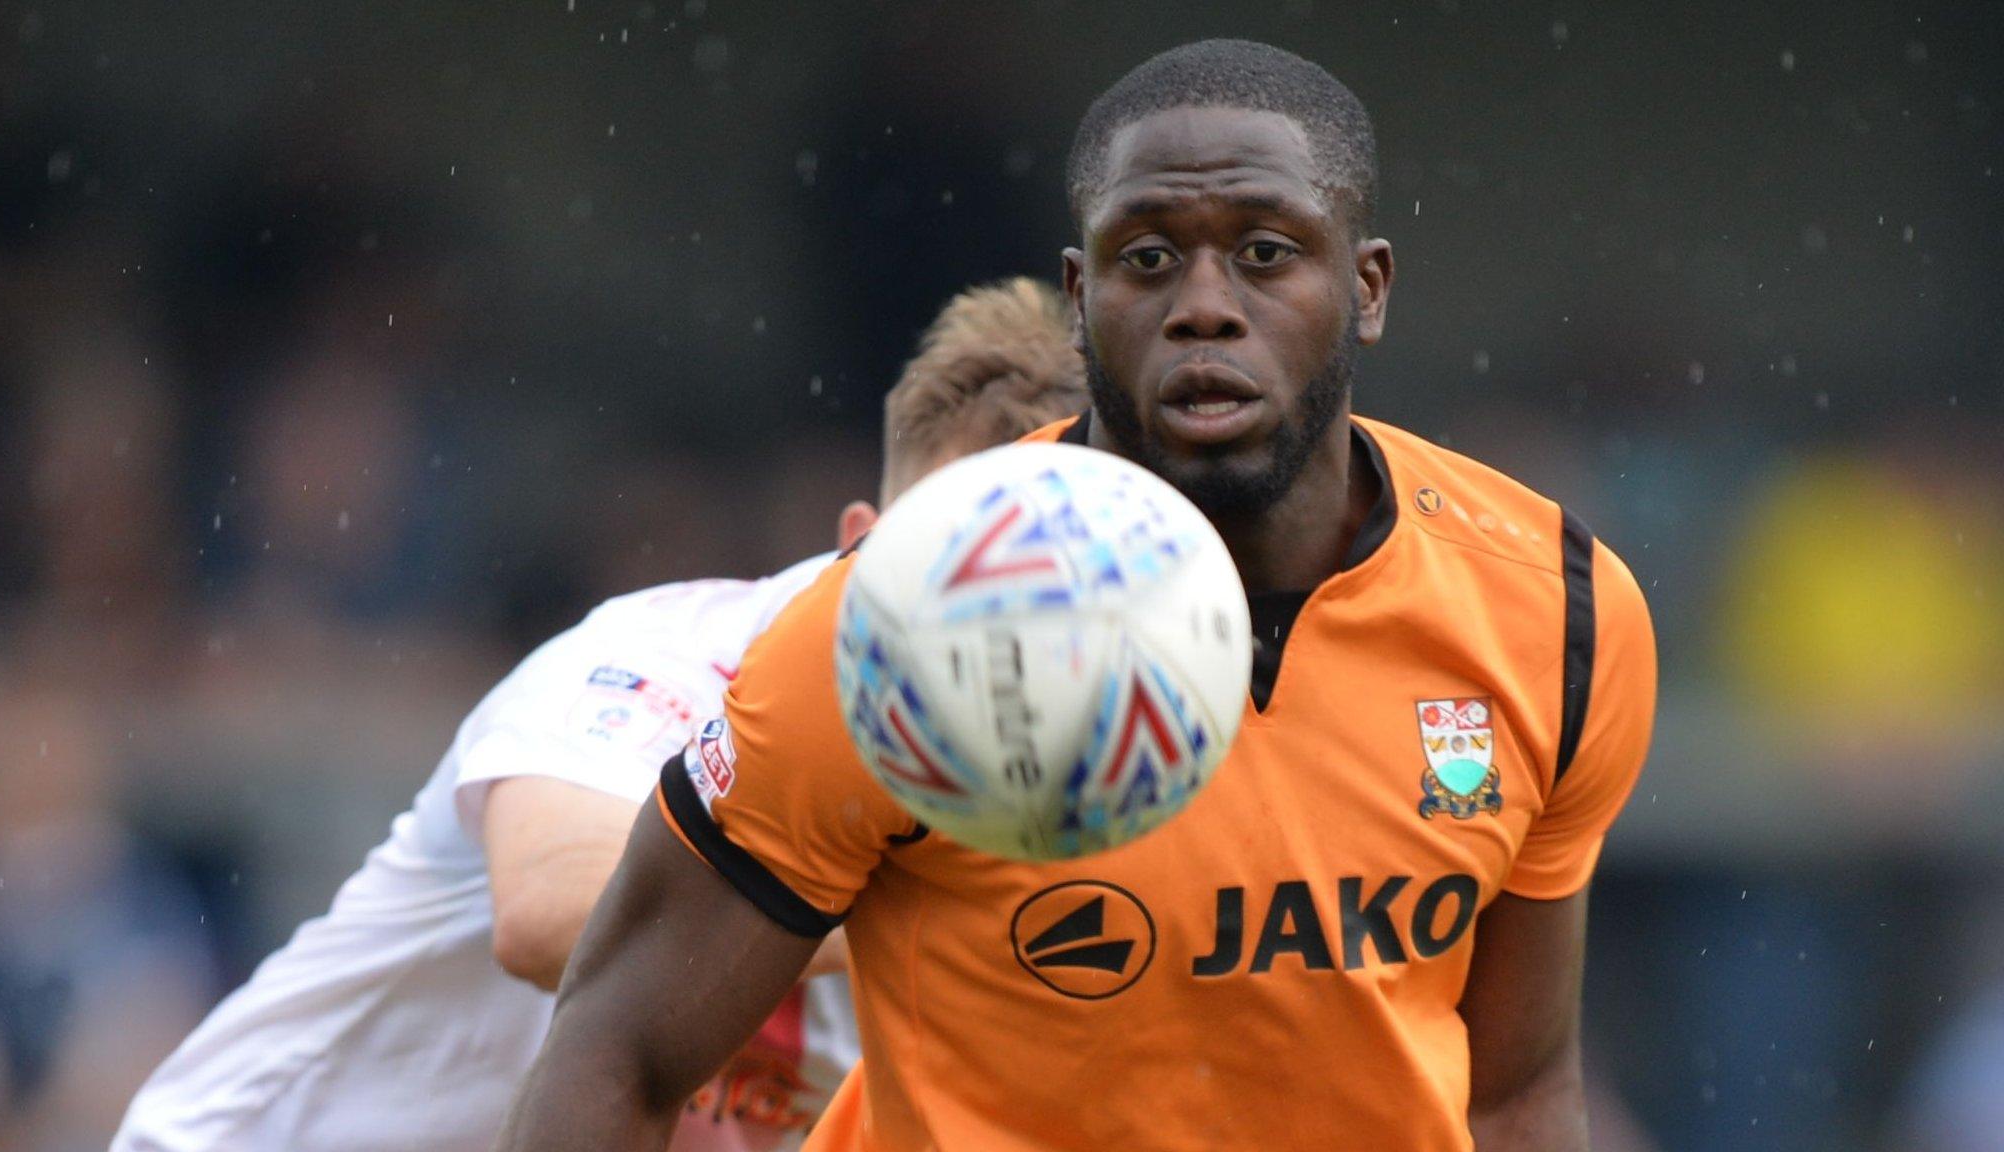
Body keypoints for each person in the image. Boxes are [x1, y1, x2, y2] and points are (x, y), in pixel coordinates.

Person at [498, 39, 1656, 1152]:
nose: (1203, 305)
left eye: (1264, 252)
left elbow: (1515, 1091)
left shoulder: (1553, 610)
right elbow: (615, 1053)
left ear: (1365, 288)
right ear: (1078, 296)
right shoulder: (908, 625)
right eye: (1144, 258)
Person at [109, 277, 1089, 1152]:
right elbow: (548, 912)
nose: (973, 632)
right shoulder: (662, 658)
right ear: (855, 546)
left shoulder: (1076, 828)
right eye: (944, 569)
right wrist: (950, 922)